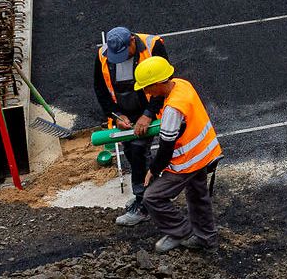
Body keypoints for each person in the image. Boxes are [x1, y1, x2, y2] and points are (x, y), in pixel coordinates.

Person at [134, 56, 221, 253]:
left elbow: (166, 148)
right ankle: (207, 239)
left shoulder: (173, 110)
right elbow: (158, 98)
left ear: (158, 83)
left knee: (152, 197)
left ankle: (182, 231)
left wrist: (153, 170)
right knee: (198, 196)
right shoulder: (181, 84)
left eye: (147, 87)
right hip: (203, 153)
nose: (145, 92)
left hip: (187, 161)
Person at [93, 27, 168, 227]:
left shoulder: (153, 46)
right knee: (132, 153)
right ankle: (151, 195)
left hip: (149, 110)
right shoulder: (103, 55)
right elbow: (101, 90)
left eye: (124, 54)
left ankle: (144, 204)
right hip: (125, 114)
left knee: (138, 151)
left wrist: (148, 114)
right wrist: (117, 115)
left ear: (132, 41)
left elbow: (162, 84)